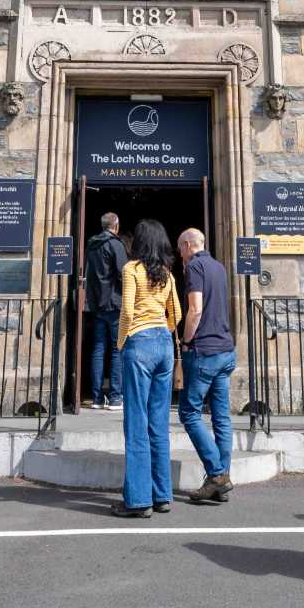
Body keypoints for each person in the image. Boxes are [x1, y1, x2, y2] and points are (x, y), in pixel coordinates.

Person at [114, 217, 180, 517]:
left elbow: (127, 310)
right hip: (164, 345)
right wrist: (162, 331)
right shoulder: (167, 273)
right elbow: (176, 312)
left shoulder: (131, 269)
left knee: (136, 422)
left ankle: (139, 500)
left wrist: (121, 342)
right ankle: (162, 495)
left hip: (138, 341)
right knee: (158, 423)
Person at [175, 228, 236, 504]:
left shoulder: (196, 266)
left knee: (189, 412)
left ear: (188, 245)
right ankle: (220, 480)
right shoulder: (219, 267)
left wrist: (186, 340)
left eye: (180, 249)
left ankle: (217, 474)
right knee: (221, 417)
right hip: (225, 350)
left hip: (205, 351)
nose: (180, 255)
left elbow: (196, 308)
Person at [84, 212, 128, 410]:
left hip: (96, 304)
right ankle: (116, 397)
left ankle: (96, 398)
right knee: (117, 350)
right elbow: (123, 274)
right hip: (114, 304)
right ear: (116, 225)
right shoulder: (115, 244)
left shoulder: (92, 245)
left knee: (98, 350)